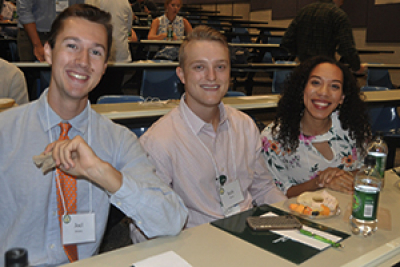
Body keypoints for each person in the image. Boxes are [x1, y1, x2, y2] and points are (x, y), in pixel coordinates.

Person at [0, 4, 188, 266]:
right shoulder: (5, 131)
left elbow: (172, 219)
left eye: (96, 52)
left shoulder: (119, 140)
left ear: (104, 67)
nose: (83, 61)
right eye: (72, 46)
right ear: (47, 52)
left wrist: (103, 173)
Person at [139, 25, 286, 232]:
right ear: (181, 74)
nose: (211, 76)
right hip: (196, 245)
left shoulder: (245, 126)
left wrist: (292, 217)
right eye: (199, 67)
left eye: (220, 67)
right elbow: (145, 227)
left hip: (248, 235)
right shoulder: (158, 142)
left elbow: (263, 188)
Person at [261, 56, 371, 198]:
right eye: (316, 82)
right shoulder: (273, 139)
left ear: (342, 97)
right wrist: (319, 183)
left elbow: (369, 170)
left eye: (334, 86)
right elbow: (278, 193)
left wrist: (343, 176)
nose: (323, 92)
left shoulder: (354, 128)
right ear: (302, 89)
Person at [280, 0, 365, 74]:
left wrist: (300, 53)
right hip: (326, 68)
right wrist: (356, 67)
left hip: (304, 67)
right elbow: (347, 48)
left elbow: (286, 41)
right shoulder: (339, 15)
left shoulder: (303, 12)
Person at [16, 0, 85, 62]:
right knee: (30, 72)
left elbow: (79, 11)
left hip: (65, 35)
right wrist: (37, 45)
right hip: (33, 36)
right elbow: (24, 12)